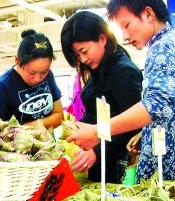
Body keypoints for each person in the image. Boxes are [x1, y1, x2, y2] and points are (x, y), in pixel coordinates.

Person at [69, 1, 175, 183]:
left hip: (167, 164)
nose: (125, 36)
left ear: (148, 14)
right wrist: (145, 132)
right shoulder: (174, 41)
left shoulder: (163, 47)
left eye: (126, 25)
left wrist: (98, 131)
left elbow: (158, 103)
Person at [61, 11, 143, 183]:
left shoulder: (124, 71)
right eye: (77, 56)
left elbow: (133, 126)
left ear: (103, 39)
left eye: (84, 51)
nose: (82, 59)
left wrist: (97, 151)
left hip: (113, 164)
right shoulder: (99, 69)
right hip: (96, 159)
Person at [0, 29, 64, 129]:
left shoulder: (49, 76)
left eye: (44, 72)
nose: (38, 79)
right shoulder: (2, 86)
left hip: (48, 142)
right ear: (17, 61)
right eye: (32, 72)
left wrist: (31, 126)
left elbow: (59, 115)